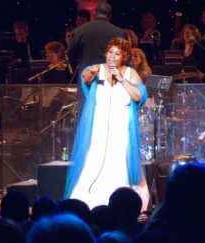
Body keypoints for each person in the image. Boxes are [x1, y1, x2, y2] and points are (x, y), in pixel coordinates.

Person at [65, 38, 149, 210]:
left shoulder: (130, 73)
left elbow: (138, 97)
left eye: (117, 53)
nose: (112, 56)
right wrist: (91, 73)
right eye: (110, 52)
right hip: (98, 127)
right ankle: (87, 204)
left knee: (118, 163)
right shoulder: (97, 69)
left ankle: (120, 206)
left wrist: (122, 80)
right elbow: (85, 78)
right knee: (93, 159)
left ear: (124, 57)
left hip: (121, 128)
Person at [68, 1, 127, 115]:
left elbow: (71, 56)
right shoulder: (120, 32)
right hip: (111, 82)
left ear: (94, 14)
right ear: (110, 16)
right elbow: (125, 59)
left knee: (86, 119)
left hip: (87, 79)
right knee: (108, 119)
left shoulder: (79, 31)